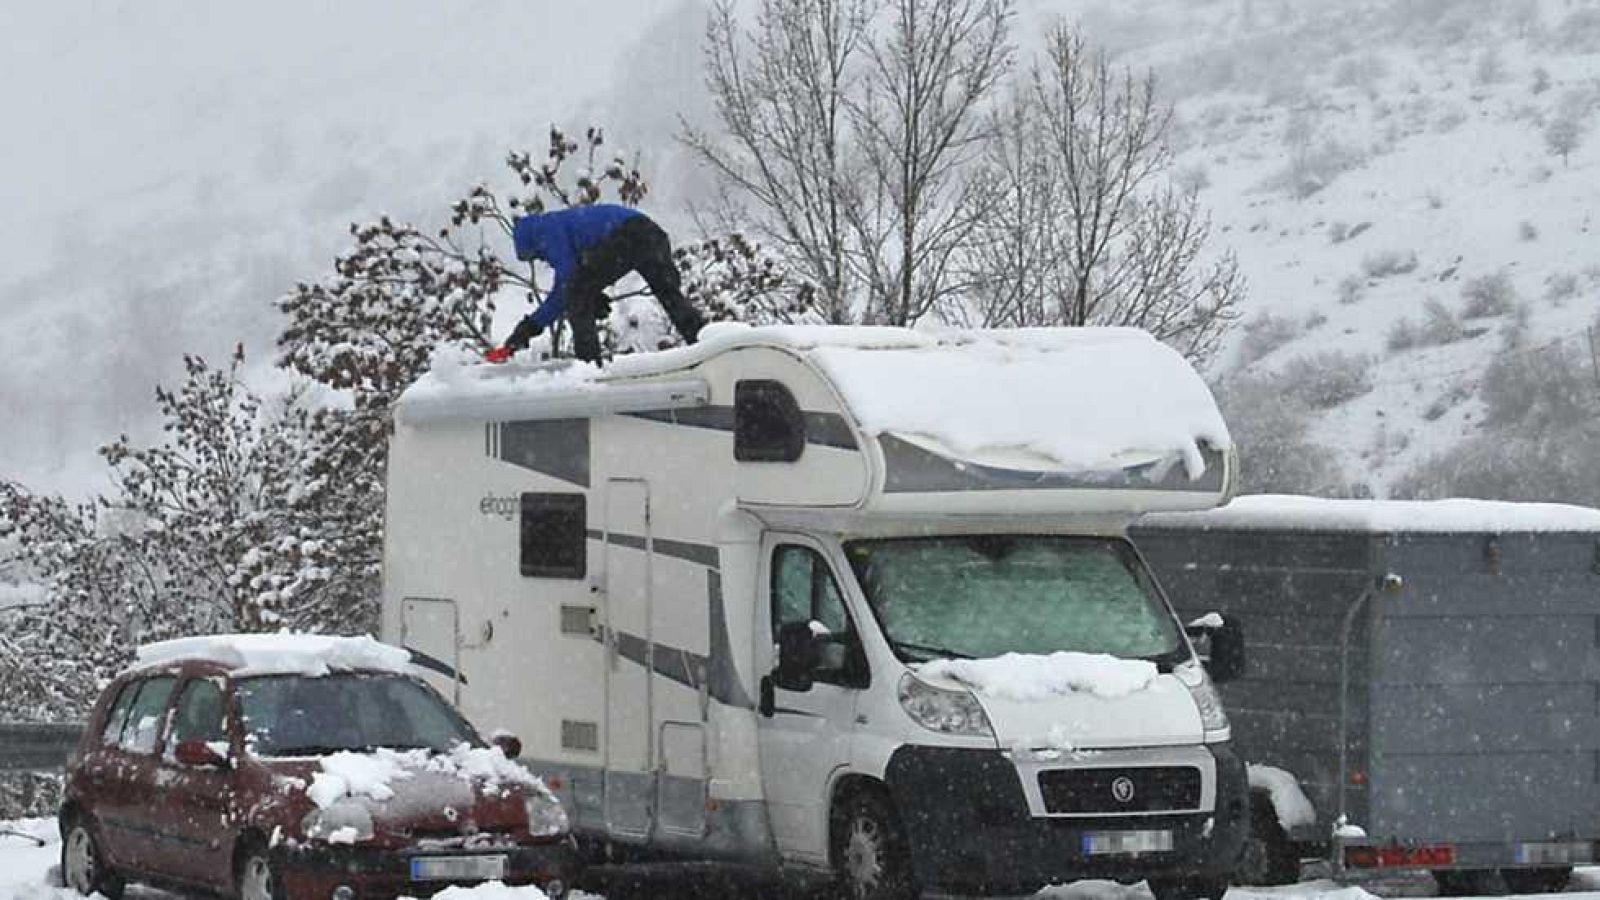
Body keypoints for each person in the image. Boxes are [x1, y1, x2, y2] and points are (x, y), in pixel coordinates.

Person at [486, 204, 705, 364]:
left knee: (576, 292)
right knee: (669, 296)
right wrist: (591, 292)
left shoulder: (545, 230)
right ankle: (706, 344)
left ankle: (588, 367)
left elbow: (566, 287)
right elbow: (576, 278)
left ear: (532, 245)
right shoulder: (562, 222)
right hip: (650, 233)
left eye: (536, 256)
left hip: (627, 234)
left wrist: (527, 329)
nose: (541, 260)